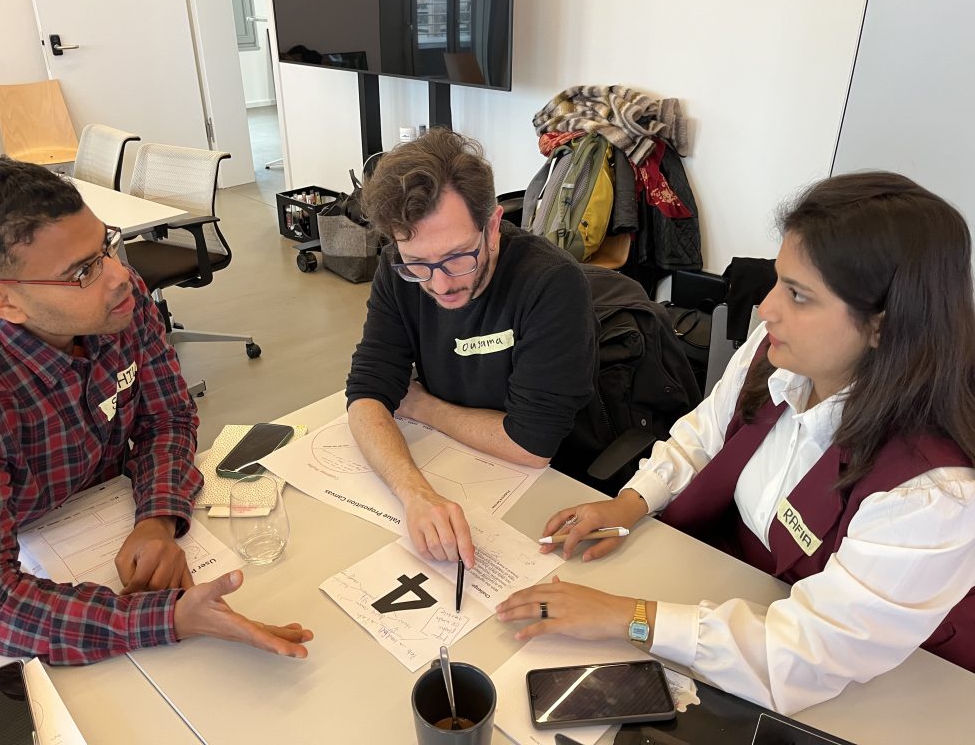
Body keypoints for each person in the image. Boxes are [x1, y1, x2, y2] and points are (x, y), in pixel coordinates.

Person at [496, 171, 975, 714]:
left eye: (798, 295)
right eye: (778, 280)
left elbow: (809, 654)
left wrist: (623, 616)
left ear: (883, 327)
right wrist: (628, 504)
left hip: (890, 681)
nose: (767, 307)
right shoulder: (776, 355)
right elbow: (702, 437)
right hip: (739, 593)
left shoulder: (932, 493)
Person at [0, 157, 312, 664]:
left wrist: (158, 519)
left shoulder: (120, 300)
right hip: (32, 543)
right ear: (5, 303)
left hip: (108, 513)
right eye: (82, 271)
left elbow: (168, 417)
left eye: (105, 246)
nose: (120, 276)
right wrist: (168, 620)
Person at [346, 129, 596, 568]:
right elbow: (367, 393)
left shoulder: (550, 283)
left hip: (551, 488)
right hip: (455, 460)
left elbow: (532, 446)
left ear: (493, 226)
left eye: (459, 256)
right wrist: (414, 492)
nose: (440, 284)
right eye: (418, 264)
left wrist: (422, 406)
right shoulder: (396, 269)